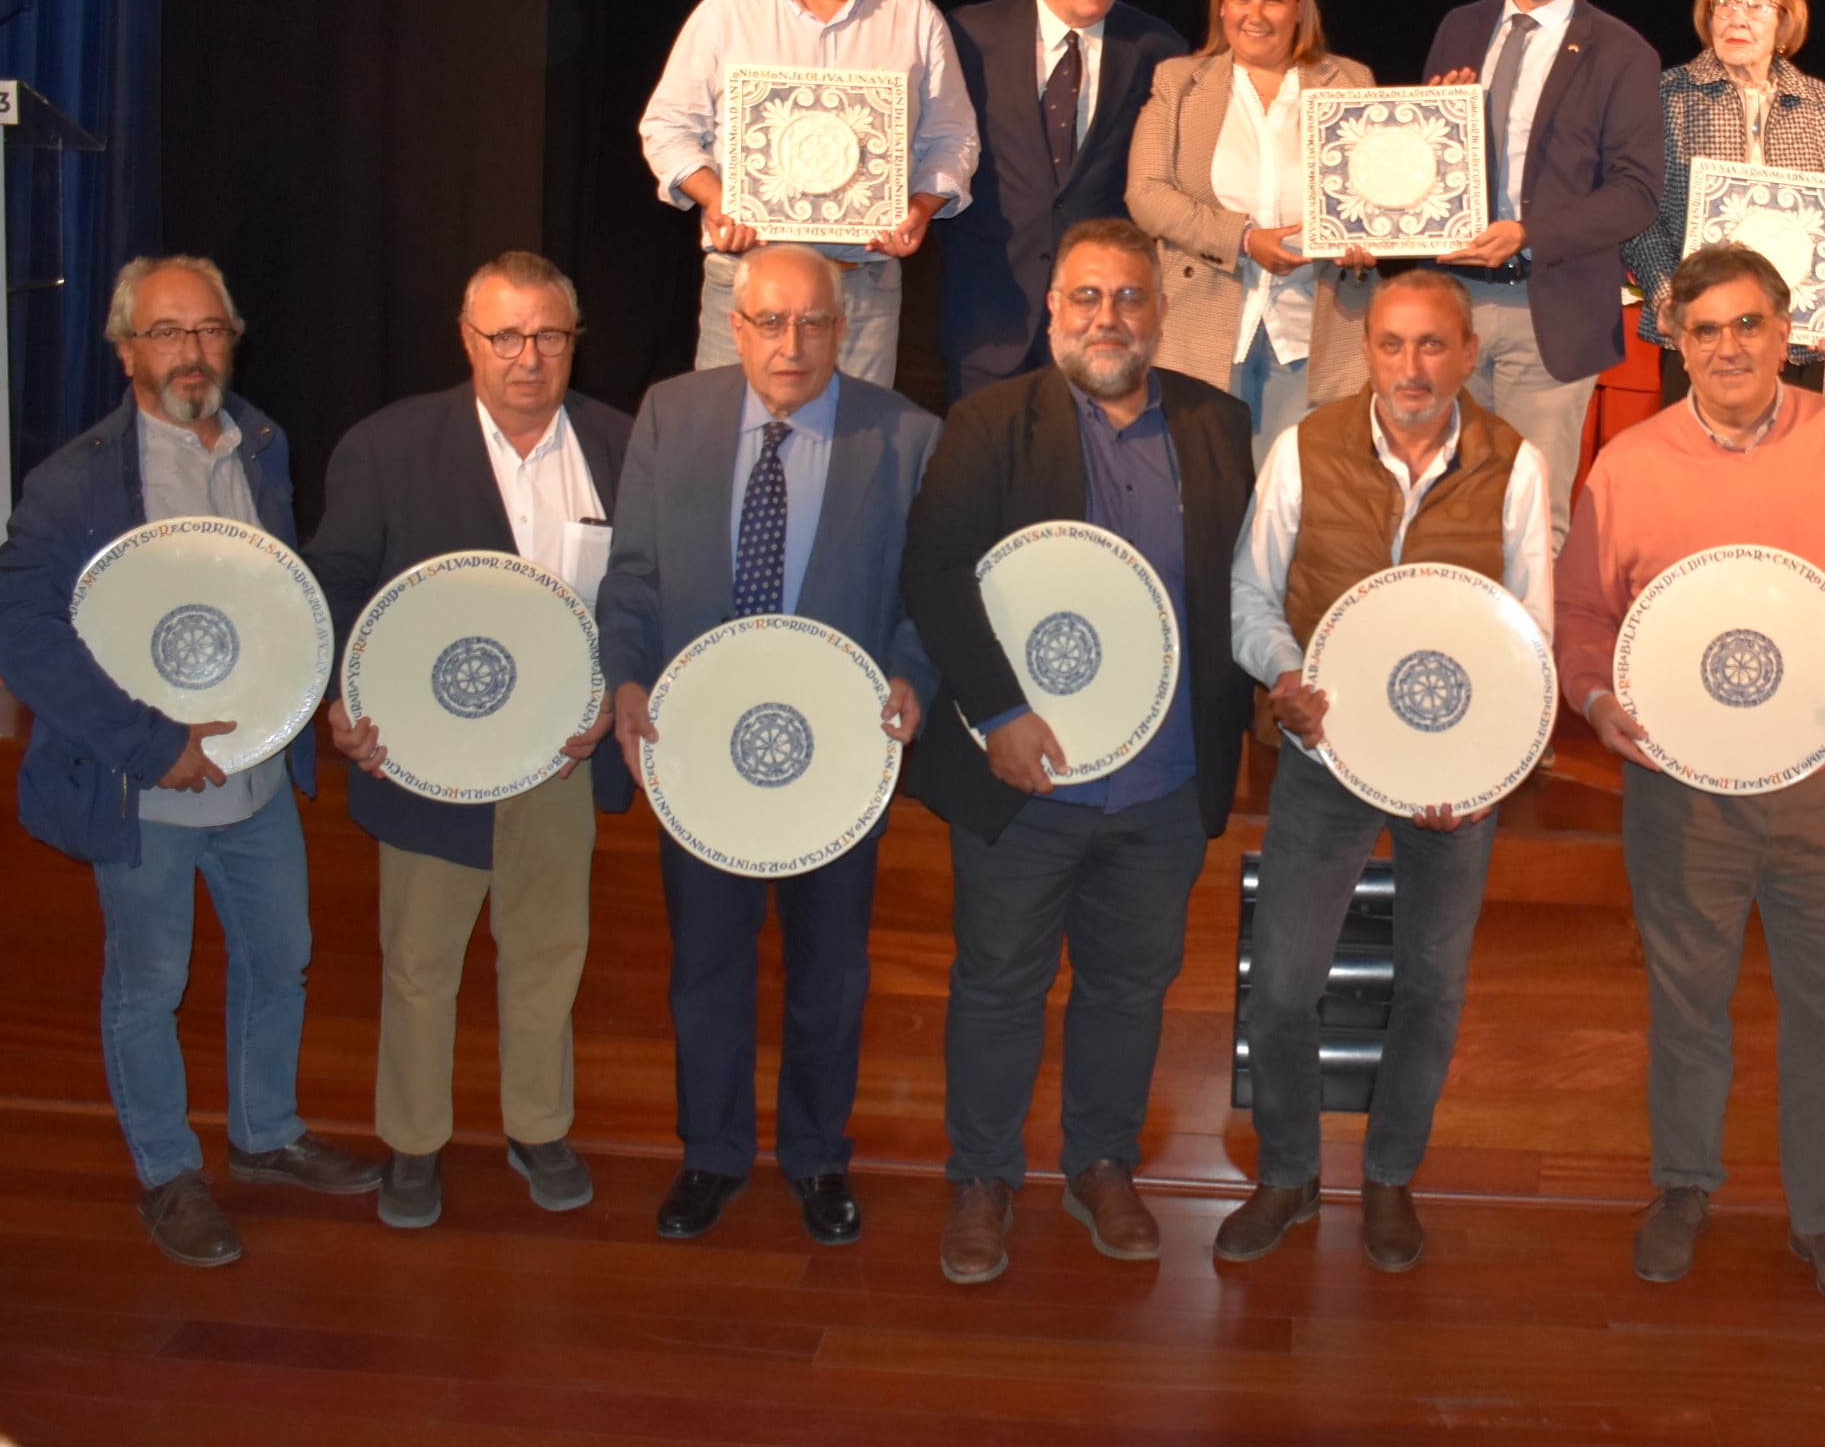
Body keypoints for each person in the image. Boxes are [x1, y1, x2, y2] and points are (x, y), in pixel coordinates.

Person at [1554, 244, 1825, 1312]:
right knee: (1688, 1001)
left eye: (1747, 324)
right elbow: (1581, 613)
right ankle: (1684, 1185)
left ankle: (1822, 1212)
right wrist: (1595, 700)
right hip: (1677, 788)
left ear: (1786, 332)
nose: (1726, 345)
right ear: (1672, 340)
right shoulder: (1626, 465)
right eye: (1703, 328)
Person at [0, 255, 383, 1266]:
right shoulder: (76, 479)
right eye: (167, 332)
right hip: (143, 786)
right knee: (147, 985)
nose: (192, 351)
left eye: (209, 330)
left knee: (279, 958)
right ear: (125, 352)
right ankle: (168, 1173)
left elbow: (280, 602)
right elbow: (19, 630)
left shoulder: (264, 443)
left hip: (256, 782)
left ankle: (265, 1134)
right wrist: (154, 745)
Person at [898, 219, 1257, 1284]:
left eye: (1129, 297)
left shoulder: (1218, 422)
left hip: (1163, 782)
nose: (1108, 316)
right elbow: (935, 574)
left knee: (1129, 984)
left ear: (1158, 311)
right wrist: (1000, 712)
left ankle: (1102, 1162)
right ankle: (982, 1178)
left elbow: (1243, 584)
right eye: (1086, 297)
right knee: (999, 981)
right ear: (1053, 310)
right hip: (1027, 776)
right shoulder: (988, 420)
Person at [596, 244, 941, 1246]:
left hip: (841, 757)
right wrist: (624, 675)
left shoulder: (907, 436)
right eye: (770, 322)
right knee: (707, 962)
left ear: (847, 327)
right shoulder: (672, 412)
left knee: (830, 970)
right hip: (699, 749)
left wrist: (914, 676)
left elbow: (928, 594)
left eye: (814, 323)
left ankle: (817, 1157)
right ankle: (708, 1153)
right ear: (735, 323)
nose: (792, 344)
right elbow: (634, 574)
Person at [1219, 267, 1554, 1272]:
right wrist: (1284, 676)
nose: (1411, 367)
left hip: (1458, 775)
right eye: (1392, 345)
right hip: (1324, 755)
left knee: (1433, 985)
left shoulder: (1517, 462)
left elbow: (1529, 631)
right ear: (1367, 351)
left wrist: (1492, 765)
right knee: (1281, 984)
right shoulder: (1303, 446)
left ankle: (1390, 1176)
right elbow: (1249, 593)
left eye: (1432, 346)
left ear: (1465, 353)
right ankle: (1287, 1173)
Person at [306, 252, 631, 1230]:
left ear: (575, 340)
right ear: (467, 337)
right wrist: (343, 695)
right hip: (424, 751)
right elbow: (334, 582)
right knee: (419, 956)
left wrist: (620, 686)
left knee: (547, 949)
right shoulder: (388, 445)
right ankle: (412, 1142)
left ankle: (539, 1125)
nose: (528, 357)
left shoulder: (623, 444)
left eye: (550, 335)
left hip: (561, 753)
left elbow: (647, 590)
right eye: (506, 335)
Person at [637, 0, 980, 384]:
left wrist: (918, 207)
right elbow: (666, 128)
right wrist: (717, 199)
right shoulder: (726, 15)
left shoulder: (914, 19)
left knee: (852, 458)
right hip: (747, 285)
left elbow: (954, 137)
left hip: (860, 293)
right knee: (730, 449)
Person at [1420, 0, 1663, 548]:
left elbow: (1637, 192)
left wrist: (1529, 233)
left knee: (1532, 522)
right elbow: (1418, 160)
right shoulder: (1459, 29)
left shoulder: (1622, 52)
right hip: (1453, 302)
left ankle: (1527, 659)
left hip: (1550, 312)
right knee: (1446, 507)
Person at [1124, 0, 1377, 456]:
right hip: (1202, 330)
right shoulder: (1179, 82)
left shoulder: (1351, 82)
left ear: (1300, 7)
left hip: (1314, 335)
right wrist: (1241, 239)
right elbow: (1145, 193)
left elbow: (1373, 199)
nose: (1255, 14)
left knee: (1297, 507)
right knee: (1201, 498)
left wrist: (1367, 241)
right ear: (1221, 5)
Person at [939, 0, 1190, 399]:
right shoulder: (970, 36)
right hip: (990, 314)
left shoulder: (1158, 49)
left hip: (1104, 322)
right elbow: (943, 152)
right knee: (990, 472)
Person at [1625, 0, 1825, 405]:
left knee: (1789, 473)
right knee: (1699, 471)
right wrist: (1668, 298)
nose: (1737, 18)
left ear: (1784, 24)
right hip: (1700, 330)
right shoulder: (1666, 94)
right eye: (1724, 4)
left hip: (1796, 338)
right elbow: (1641, 214)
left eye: (1757, 6)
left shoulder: (1824, 105)